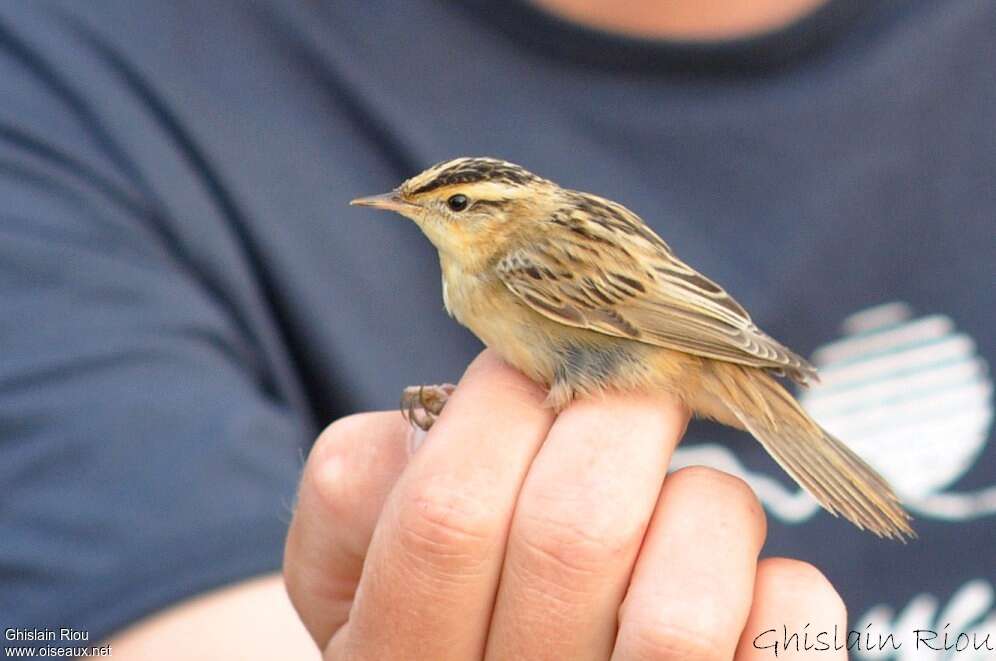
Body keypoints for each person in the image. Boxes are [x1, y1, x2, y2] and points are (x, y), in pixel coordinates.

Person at [1, 0, 992, 658]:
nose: (430, 214)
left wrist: (744, 361)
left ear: (497, 217)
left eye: (456, 205)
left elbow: (632, 327)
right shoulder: (66, 80)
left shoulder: (523, 264)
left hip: (682, 345)